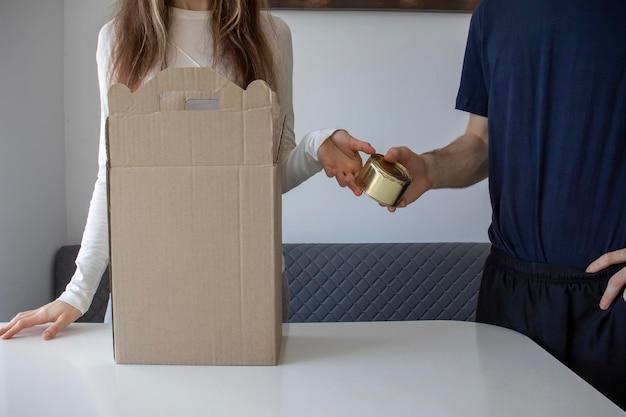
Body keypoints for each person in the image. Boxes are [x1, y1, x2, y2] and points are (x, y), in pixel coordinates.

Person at [0, 0, 375, 340]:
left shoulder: (271, 35)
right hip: (148, 282)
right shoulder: (118, 38)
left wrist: (316, 146)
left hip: (248, 283)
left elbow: (266, 178)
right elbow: (114, 175)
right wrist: (78, 292)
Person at [382, 0, 626, 409]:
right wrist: (430, 168)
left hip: (611, 298)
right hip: (510, 294)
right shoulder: (492, 14)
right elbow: (481, 141)